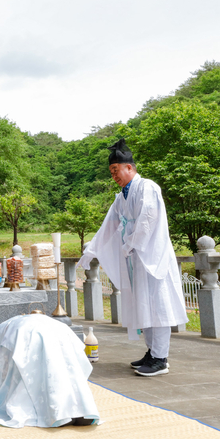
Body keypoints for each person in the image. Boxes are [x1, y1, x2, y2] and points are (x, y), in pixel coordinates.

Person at [78, 138, 188, 377]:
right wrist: (91, 251)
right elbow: (109, 226)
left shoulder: (147, 187)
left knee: (158, 307)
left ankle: (161, 358)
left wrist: (131, 244)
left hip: (153, 258)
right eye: (111, 172)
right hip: (136, 258)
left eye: (116, 170)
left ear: (130, 168)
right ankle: (152, 352)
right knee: (144, 307)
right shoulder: (121, 198)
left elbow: (148, 219)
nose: (114, 175)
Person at [0, 313, 100, 428]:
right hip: (57, 335)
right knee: (65, 371)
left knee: (38, 373)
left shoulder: (2, 330)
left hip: (31, 335)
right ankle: (81, 408)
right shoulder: (55, 325)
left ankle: (57, 413)